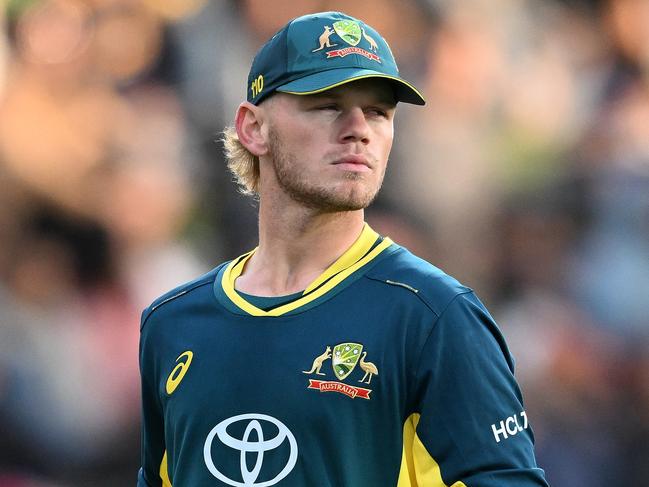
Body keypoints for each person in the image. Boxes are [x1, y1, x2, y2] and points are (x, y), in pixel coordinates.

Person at [137, 11, 549, 487]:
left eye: (378, 111)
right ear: (253, 128)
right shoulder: (171, 323)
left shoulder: (434, 317)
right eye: (327, 105)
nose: (359, 128)